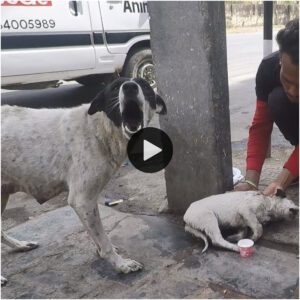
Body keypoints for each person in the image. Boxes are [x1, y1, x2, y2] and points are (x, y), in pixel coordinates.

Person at [235, 19, 299, 196]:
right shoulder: (267, 69)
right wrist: (251, 181)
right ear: (280, 60)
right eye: (287, 80)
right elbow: (260, 127)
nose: (293, 91)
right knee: (277, 100)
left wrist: (282, 180)